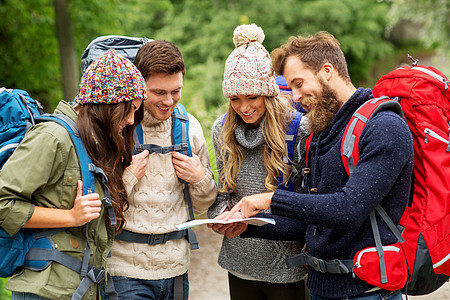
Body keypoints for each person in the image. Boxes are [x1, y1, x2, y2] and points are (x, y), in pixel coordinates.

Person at [228, 31, 414, 300]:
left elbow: (349, 208)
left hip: (368, 293)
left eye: (299, 83)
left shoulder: (384, 127)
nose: (294, 97)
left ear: (327, 71)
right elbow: (310, 220)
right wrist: (247, 226)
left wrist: (270, 199)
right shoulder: (321, 132)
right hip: (320, 289)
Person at [0, 49, 147, 299]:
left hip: (79, 289)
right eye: (129, 110)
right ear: (106, 105)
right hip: (46, 292)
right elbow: (4, 204)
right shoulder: (52, 138)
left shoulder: (92, 142)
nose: (132, 120)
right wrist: (70, 216)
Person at [105, 40, 217, 300]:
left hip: (177, 270)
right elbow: (100, 206)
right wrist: (129, 177)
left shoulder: (190, 128)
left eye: (176, 91)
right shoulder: (118, 127)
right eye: (158, 92)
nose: (169, 101)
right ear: (138, 85)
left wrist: (199, 178)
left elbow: (204, 205)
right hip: (125, 272)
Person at [206, 24, 309, 300]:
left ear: (269, 93)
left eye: (252, 96)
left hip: (287, 268)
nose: (244, 107)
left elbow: (307, 204)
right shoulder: (221, 129)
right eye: (235, 99)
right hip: (238, 264)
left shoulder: (298, 130)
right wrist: (219, 216)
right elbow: (223, 192)